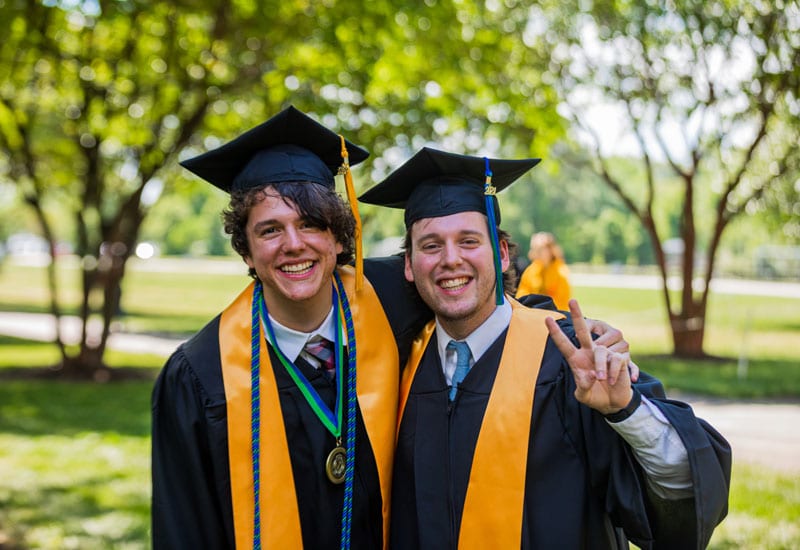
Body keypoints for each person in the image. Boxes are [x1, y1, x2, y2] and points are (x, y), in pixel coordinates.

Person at [358, 147, 731, 549]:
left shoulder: (568, 359)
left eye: (469, 241)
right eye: (431, 246)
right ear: (409, 266)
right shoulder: (399, 363)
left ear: (502, 255)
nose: (451, 259)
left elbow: (682, 486)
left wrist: (624, 410)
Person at [150, 106, 431, 549]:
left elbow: (479, 298)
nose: (293, 244)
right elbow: (184, 530)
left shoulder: (396, 298)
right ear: (246, 251)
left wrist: (569, 329)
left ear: (339, 238)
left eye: (310, 224)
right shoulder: (201, 375)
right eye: (269, 230)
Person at [516, 231, 571, 310]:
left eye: (540, 249)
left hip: (555, 316)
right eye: (534, 249)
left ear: (550, 249)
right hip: (532, 314)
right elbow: (522, 294)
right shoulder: (531, 270)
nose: (535, 252)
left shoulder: (561, 271)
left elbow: (562, 302)